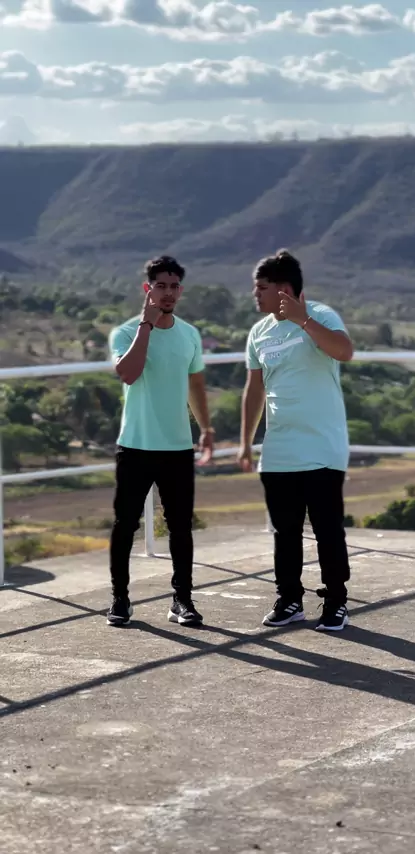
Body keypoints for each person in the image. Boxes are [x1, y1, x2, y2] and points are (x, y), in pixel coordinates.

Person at [238, 249, 353, 632]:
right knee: (284, 532)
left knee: (327, 529)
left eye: (262, 288)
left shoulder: (321, 315)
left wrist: (303, 320)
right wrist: (245, 442)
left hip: (322, 447)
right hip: (279, 450)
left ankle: (336, 602)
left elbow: (344, 351)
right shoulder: (259, 332)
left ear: (284, 290)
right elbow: (254, 390)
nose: (255, 295)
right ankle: (289, 600)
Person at [107, 255, 214, 627]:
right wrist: (146, 326)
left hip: (178, 448)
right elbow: (128, 373)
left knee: (181, 527)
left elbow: (195, 385)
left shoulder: (190, 335)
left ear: (180, 291)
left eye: (174, 286)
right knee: (125, 525)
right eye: (160, 286)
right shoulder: (125, 333)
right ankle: (120, 599)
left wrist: (207, 428)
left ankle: (182, 600)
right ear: (147, 288)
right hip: (135, 445)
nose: (168, 293)